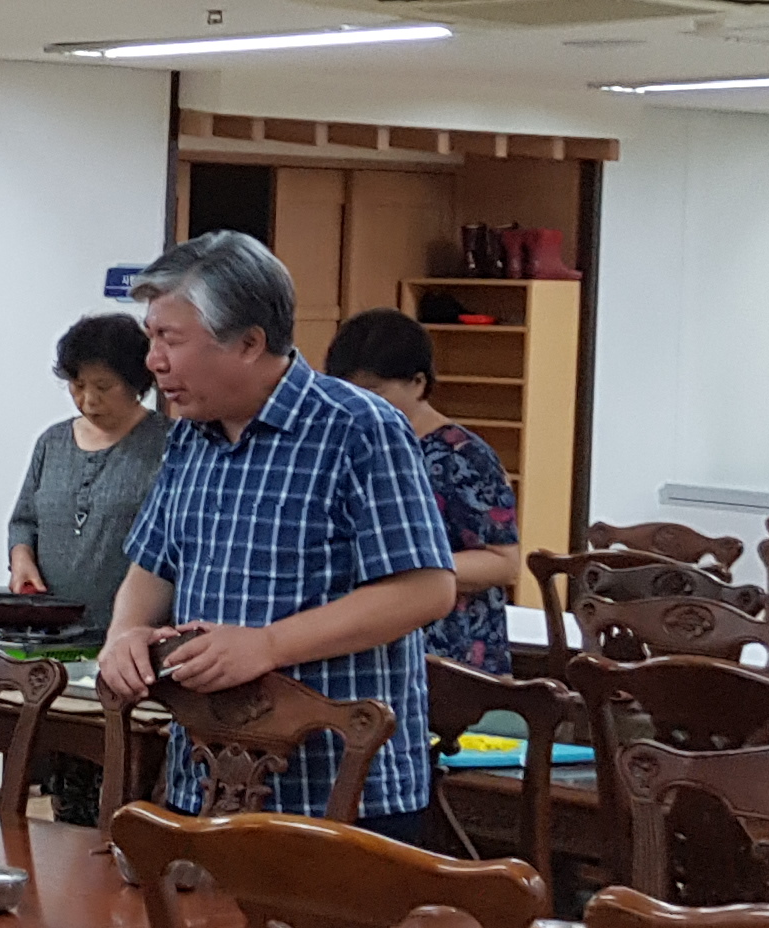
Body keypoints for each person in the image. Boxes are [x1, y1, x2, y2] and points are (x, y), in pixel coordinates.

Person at [96, 234, 460, 844]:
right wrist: (125, 634)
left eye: (171, 340)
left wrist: (268, 645)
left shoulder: (358, 428)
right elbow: (153, 566)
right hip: (207, 777)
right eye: (151, 338)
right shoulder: (190, 435)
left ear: (249, 343)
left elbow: (424, 590)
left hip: (341, 795)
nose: (154, 361)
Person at [324, 307, 525, 673]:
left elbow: (503, 562)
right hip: (360, 636)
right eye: (344, 391)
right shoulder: (341, 446)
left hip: (448, 649)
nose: (356, 404)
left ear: (418, 383)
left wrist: (408, 570)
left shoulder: (465, 456)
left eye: (373, 391)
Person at [6, 313, 172, 620]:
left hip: (133, 628)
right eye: (78, 385)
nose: (89, 400)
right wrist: (21, 560)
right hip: (48, 625)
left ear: (136, 382)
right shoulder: (52, 442)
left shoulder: (168, 443)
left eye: (103, 387)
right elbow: (24, 521)